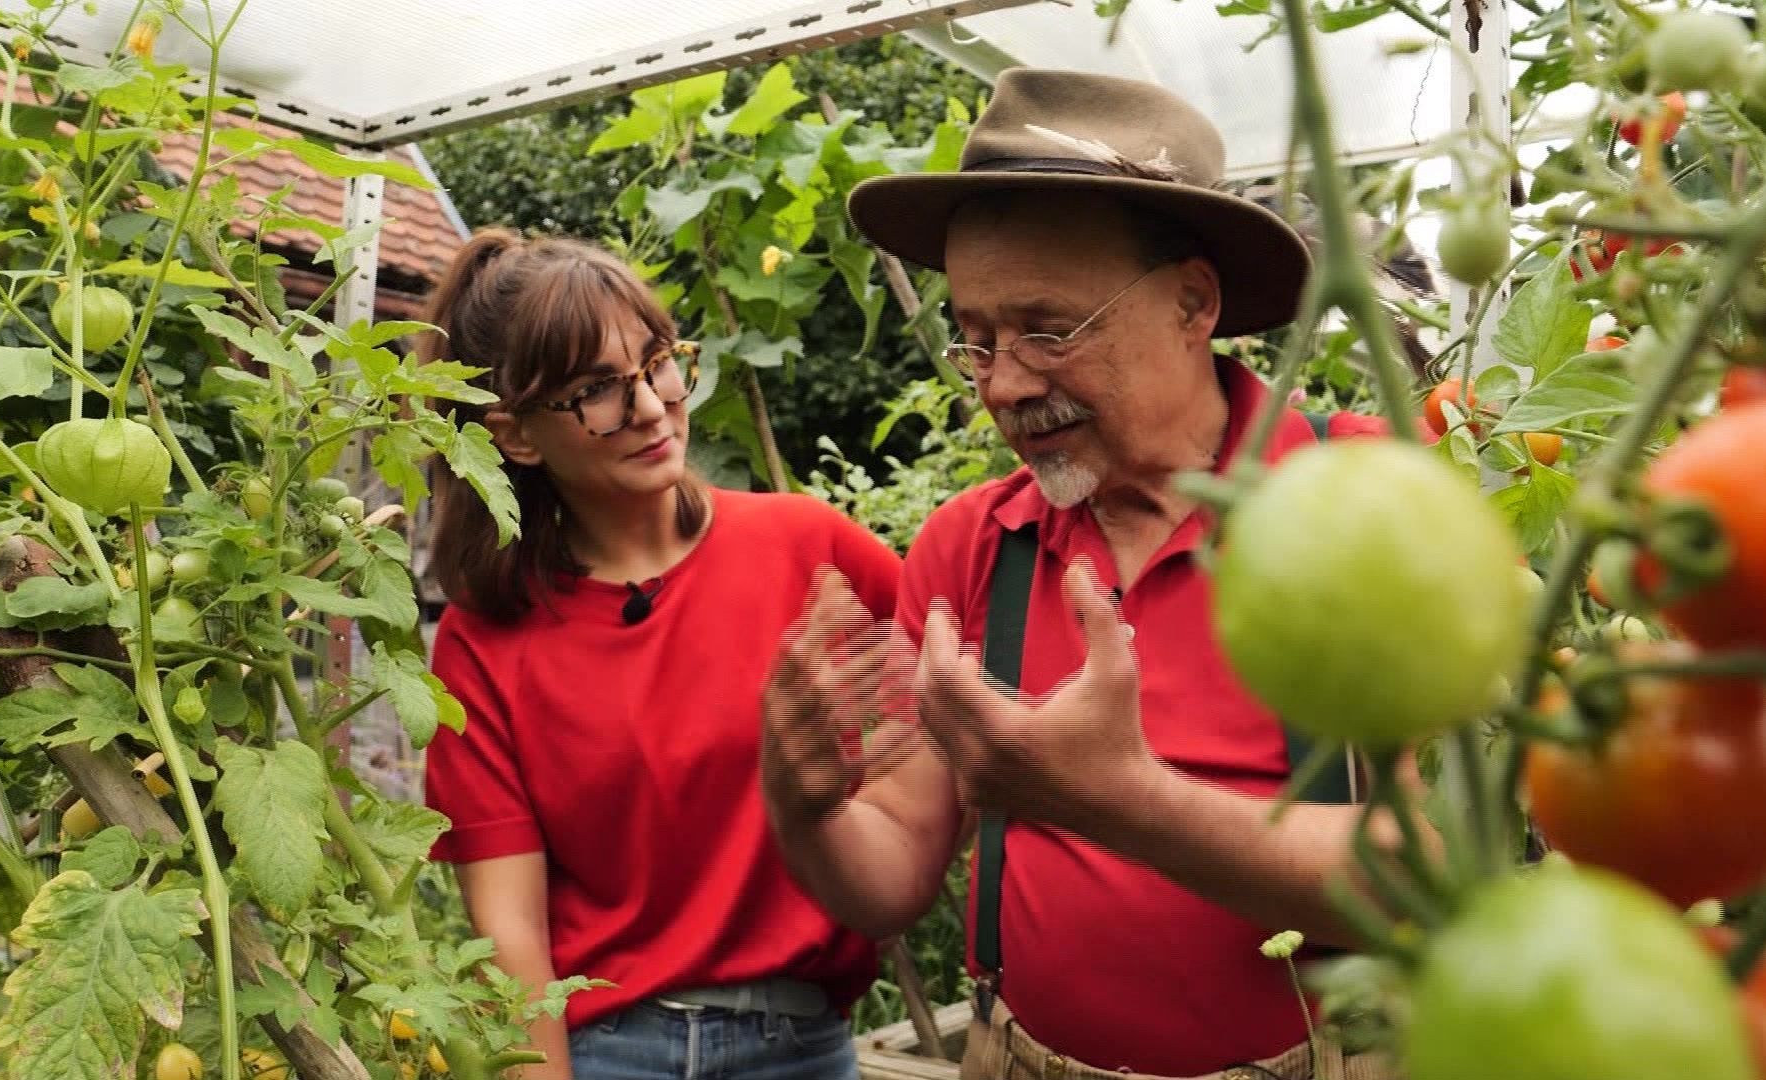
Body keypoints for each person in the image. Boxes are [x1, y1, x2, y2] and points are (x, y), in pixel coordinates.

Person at [759, 69, 1415, 1080]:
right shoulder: (969, 549)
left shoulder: (1367, 495)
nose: (1007, 384)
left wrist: (1119, 801)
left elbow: (1441, 868)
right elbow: (889, 873)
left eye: (1048, 329)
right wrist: (804, 806)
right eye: (975, 342)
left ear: (1193, 303)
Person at [417, 229, 905, 1080]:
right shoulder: (483, 645)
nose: (651, 407)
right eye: (596, 392)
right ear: (518, 437)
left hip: (804, 1048)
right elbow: (512, 939)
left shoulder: (807, 549)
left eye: (657, 364)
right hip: (610, 1054)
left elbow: (971, 688)